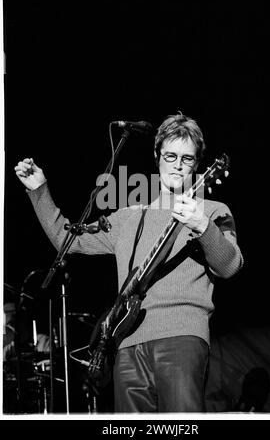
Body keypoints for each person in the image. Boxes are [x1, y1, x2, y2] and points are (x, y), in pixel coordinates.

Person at [14, 113, 243, 413]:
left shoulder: (213, 211)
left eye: (187, 158)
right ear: (157, 157)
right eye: (170, 155)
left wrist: (201, 225)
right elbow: (66, 240)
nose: (177, 164)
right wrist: (39, 190)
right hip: (126, 344)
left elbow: (230, 266)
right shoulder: (128, 217)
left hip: (182, 338)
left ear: (198, 163)